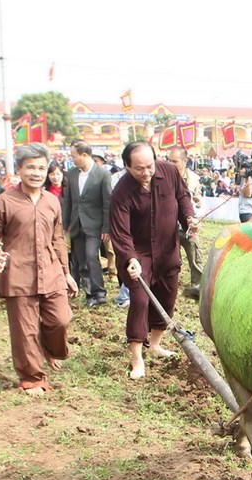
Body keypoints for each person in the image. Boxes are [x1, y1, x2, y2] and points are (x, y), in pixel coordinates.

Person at [0, 143, 78, 395]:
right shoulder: (4, 201)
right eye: (30, 167)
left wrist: (66, 272)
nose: (37, 173)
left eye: (41, 168)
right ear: (19, 169)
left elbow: (57, 239)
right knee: (24, 330)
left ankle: (51, 349)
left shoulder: (52, 201)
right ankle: (31, 378)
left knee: (60, 320)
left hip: (51, 271)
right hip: (18, 273)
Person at [109, 142, 197, 380]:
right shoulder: (122, 192)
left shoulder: (168, 171)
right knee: (139, 300)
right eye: (139, 169)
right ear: (127, 166)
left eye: (149, 166)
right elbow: (120, 232)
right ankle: (137, 359)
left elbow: (183, 197)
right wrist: (129, 258)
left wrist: (189, 219)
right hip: (139, 254)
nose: (146, 172)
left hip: (168, 249)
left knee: (167, 297)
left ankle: (156, 343)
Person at [61, 140, 113, 308]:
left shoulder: (102, 174)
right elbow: (68, 201)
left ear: (84, 155)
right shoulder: (72, 174)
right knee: (81, 260)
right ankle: (90, 294)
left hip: (94, 224)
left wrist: (107, 227)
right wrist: (65, 223)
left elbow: (108, 203)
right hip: (77, 223)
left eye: (74, 156)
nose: (72, 159)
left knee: (92, 256)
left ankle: (100, 292)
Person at [166, 147, 204, 299]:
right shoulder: (163, 176)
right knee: (171, 256)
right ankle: (170, 284)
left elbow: (198, 194)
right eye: (169, 160)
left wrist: (198, 199)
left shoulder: (193, 178)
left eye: (174, 161)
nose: (171, 164)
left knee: (194, 251)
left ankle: (198, 284)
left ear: (185, 161)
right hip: (168, 223)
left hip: (188, 223)